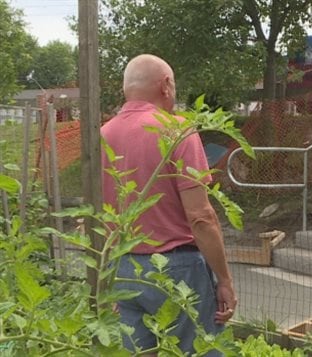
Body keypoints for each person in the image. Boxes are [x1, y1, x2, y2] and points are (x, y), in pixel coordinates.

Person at [101, 54, 237, 356]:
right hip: (178, 270)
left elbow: (102, 212)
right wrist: (224, 280)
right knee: (200, 349)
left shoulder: (102, 135)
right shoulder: (178, 130)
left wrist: (109, 274)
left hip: (122, 267)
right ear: (166, 86)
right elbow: (201, 217)